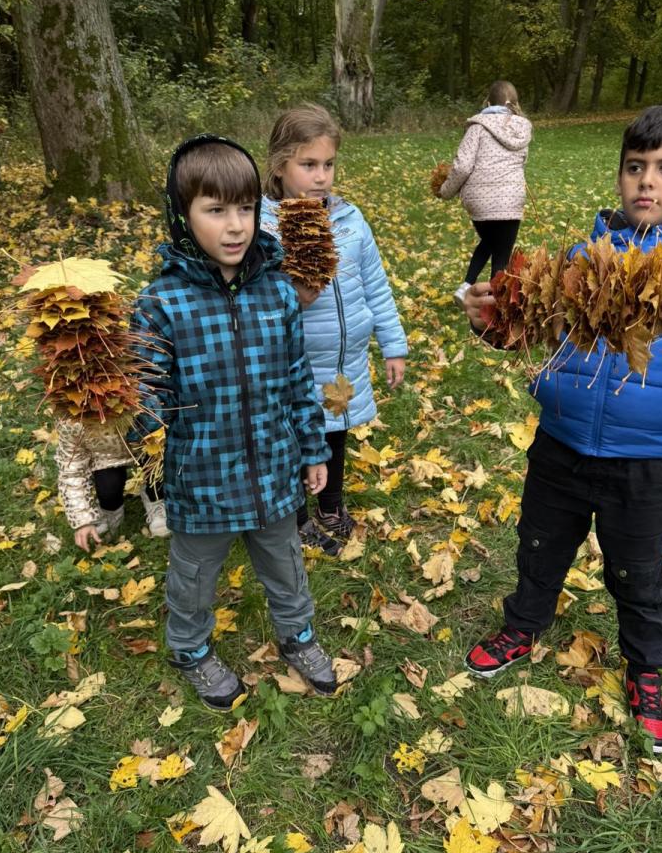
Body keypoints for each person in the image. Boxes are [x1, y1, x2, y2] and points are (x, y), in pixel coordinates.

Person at [463, 102, 662, 754]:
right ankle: (523, 625)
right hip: (561, 443)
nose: (647, 181)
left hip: (644, 462)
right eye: (635, 167)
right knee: (539, 548)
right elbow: (538, 330)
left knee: (638, 574)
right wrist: (492, 322)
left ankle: (646, 669)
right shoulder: (586, 254)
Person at [132, 134, 336, 709]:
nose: (235, 226)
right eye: (215, 210)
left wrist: (312, 447)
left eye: (245, 208)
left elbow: (297, 377)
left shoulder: (277, 292)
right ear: (182, 215)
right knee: (194, 573)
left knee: (285, 560)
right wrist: (129, 410)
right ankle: (189, 646)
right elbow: (145, 396)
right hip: (202, 477)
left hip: (273, 467)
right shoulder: (161, 304)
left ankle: (297, 633)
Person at [261, 103, 408, 555]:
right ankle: (296, 516)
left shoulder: (350, 219)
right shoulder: (261, 227)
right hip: (295, 362)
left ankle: (330, 504)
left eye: (328, 164)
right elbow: (258, 304)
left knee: (334, 429)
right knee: (294, 436)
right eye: (308, 165)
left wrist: (393, 344)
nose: (321, 177)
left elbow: (376, 285)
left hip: (343, 357)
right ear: (279, 165)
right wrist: (293, 292)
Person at [438, 81, 532, 310]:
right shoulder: (522, 129)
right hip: (510, 200)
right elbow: (522, 162)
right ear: (515, 104)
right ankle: (493, 308)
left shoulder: (477, 127)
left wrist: (445, 191)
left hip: (480, 201)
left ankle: (466, 286)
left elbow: (462, 166)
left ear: (488, 103)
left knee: (490, 241)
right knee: (501, 253)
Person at [56, 419, 169, 550]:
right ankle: (111, 511)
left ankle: (155, 497)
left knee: (162, 466)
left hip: (151, 442)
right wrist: (83, 520)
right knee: (109, 487)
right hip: (105, 456)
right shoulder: (71, 421)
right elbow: (71, 471)